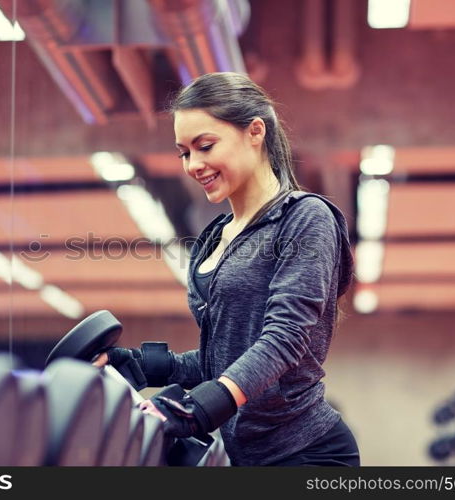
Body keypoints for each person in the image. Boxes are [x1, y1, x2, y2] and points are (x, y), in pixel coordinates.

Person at [94, 72, 359, 466]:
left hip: (308, 453)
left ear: (255, 132)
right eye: (184, 152)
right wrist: (142, 365)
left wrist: (196, 410)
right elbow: (222, 358)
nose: (193, 165)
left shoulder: (305, 218)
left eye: (205, 146)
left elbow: (285, 340)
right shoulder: (212, 239)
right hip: (247, 456)